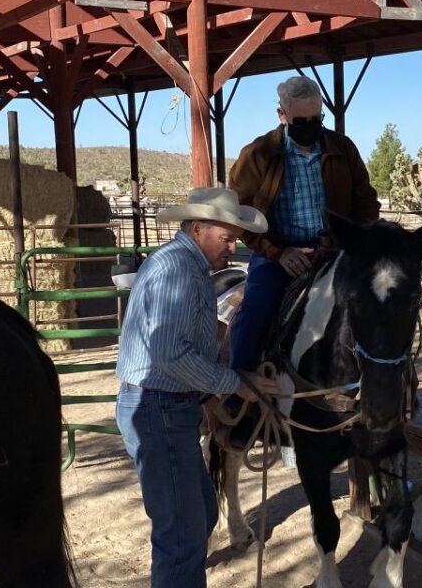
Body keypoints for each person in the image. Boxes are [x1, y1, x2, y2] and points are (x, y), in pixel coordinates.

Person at [115, 187, 278, 588]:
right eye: (226, 239)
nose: (232, 249)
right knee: (182, 538)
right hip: (159, 410)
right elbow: (171, 355)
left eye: (235, 241)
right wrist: (235, 384)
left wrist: (207, 397)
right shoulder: (178, 272)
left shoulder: (180, 266)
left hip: (167, 407)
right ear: (198, 227)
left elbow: (177, 349)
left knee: (201, 514)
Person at [227, 75, 380, 370]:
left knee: (381, 305)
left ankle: (387, 391)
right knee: (255, 311)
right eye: (301, 121)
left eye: (316, 119)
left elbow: (366, 203)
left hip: (336, 250)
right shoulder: (258, 155)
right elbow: (239, 212)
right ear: (282, 115)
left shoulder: (342, 149)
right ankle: (238, 390)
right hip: (278, 252)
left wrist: (359, 241)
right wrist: (278, 253)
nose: (310, 127)